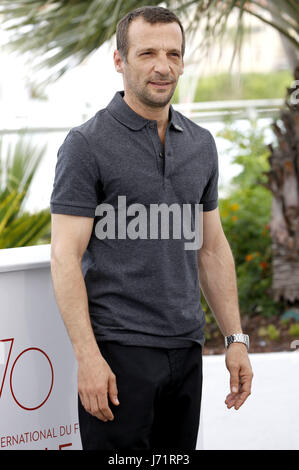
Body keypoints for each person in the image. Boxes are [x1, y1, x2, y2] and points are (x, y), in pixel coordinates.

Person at [50, 5, 253, 451]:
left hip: (186, 350)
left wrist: (235, 339)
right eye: (147, 54)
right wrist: (88, 357)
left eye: (174, 54)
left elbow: (212, 248)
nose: (163, 66)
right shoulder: (86, 145)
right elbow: (65, 255)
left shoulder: (201, 144)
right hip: (118, 353)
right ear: (120, 60)